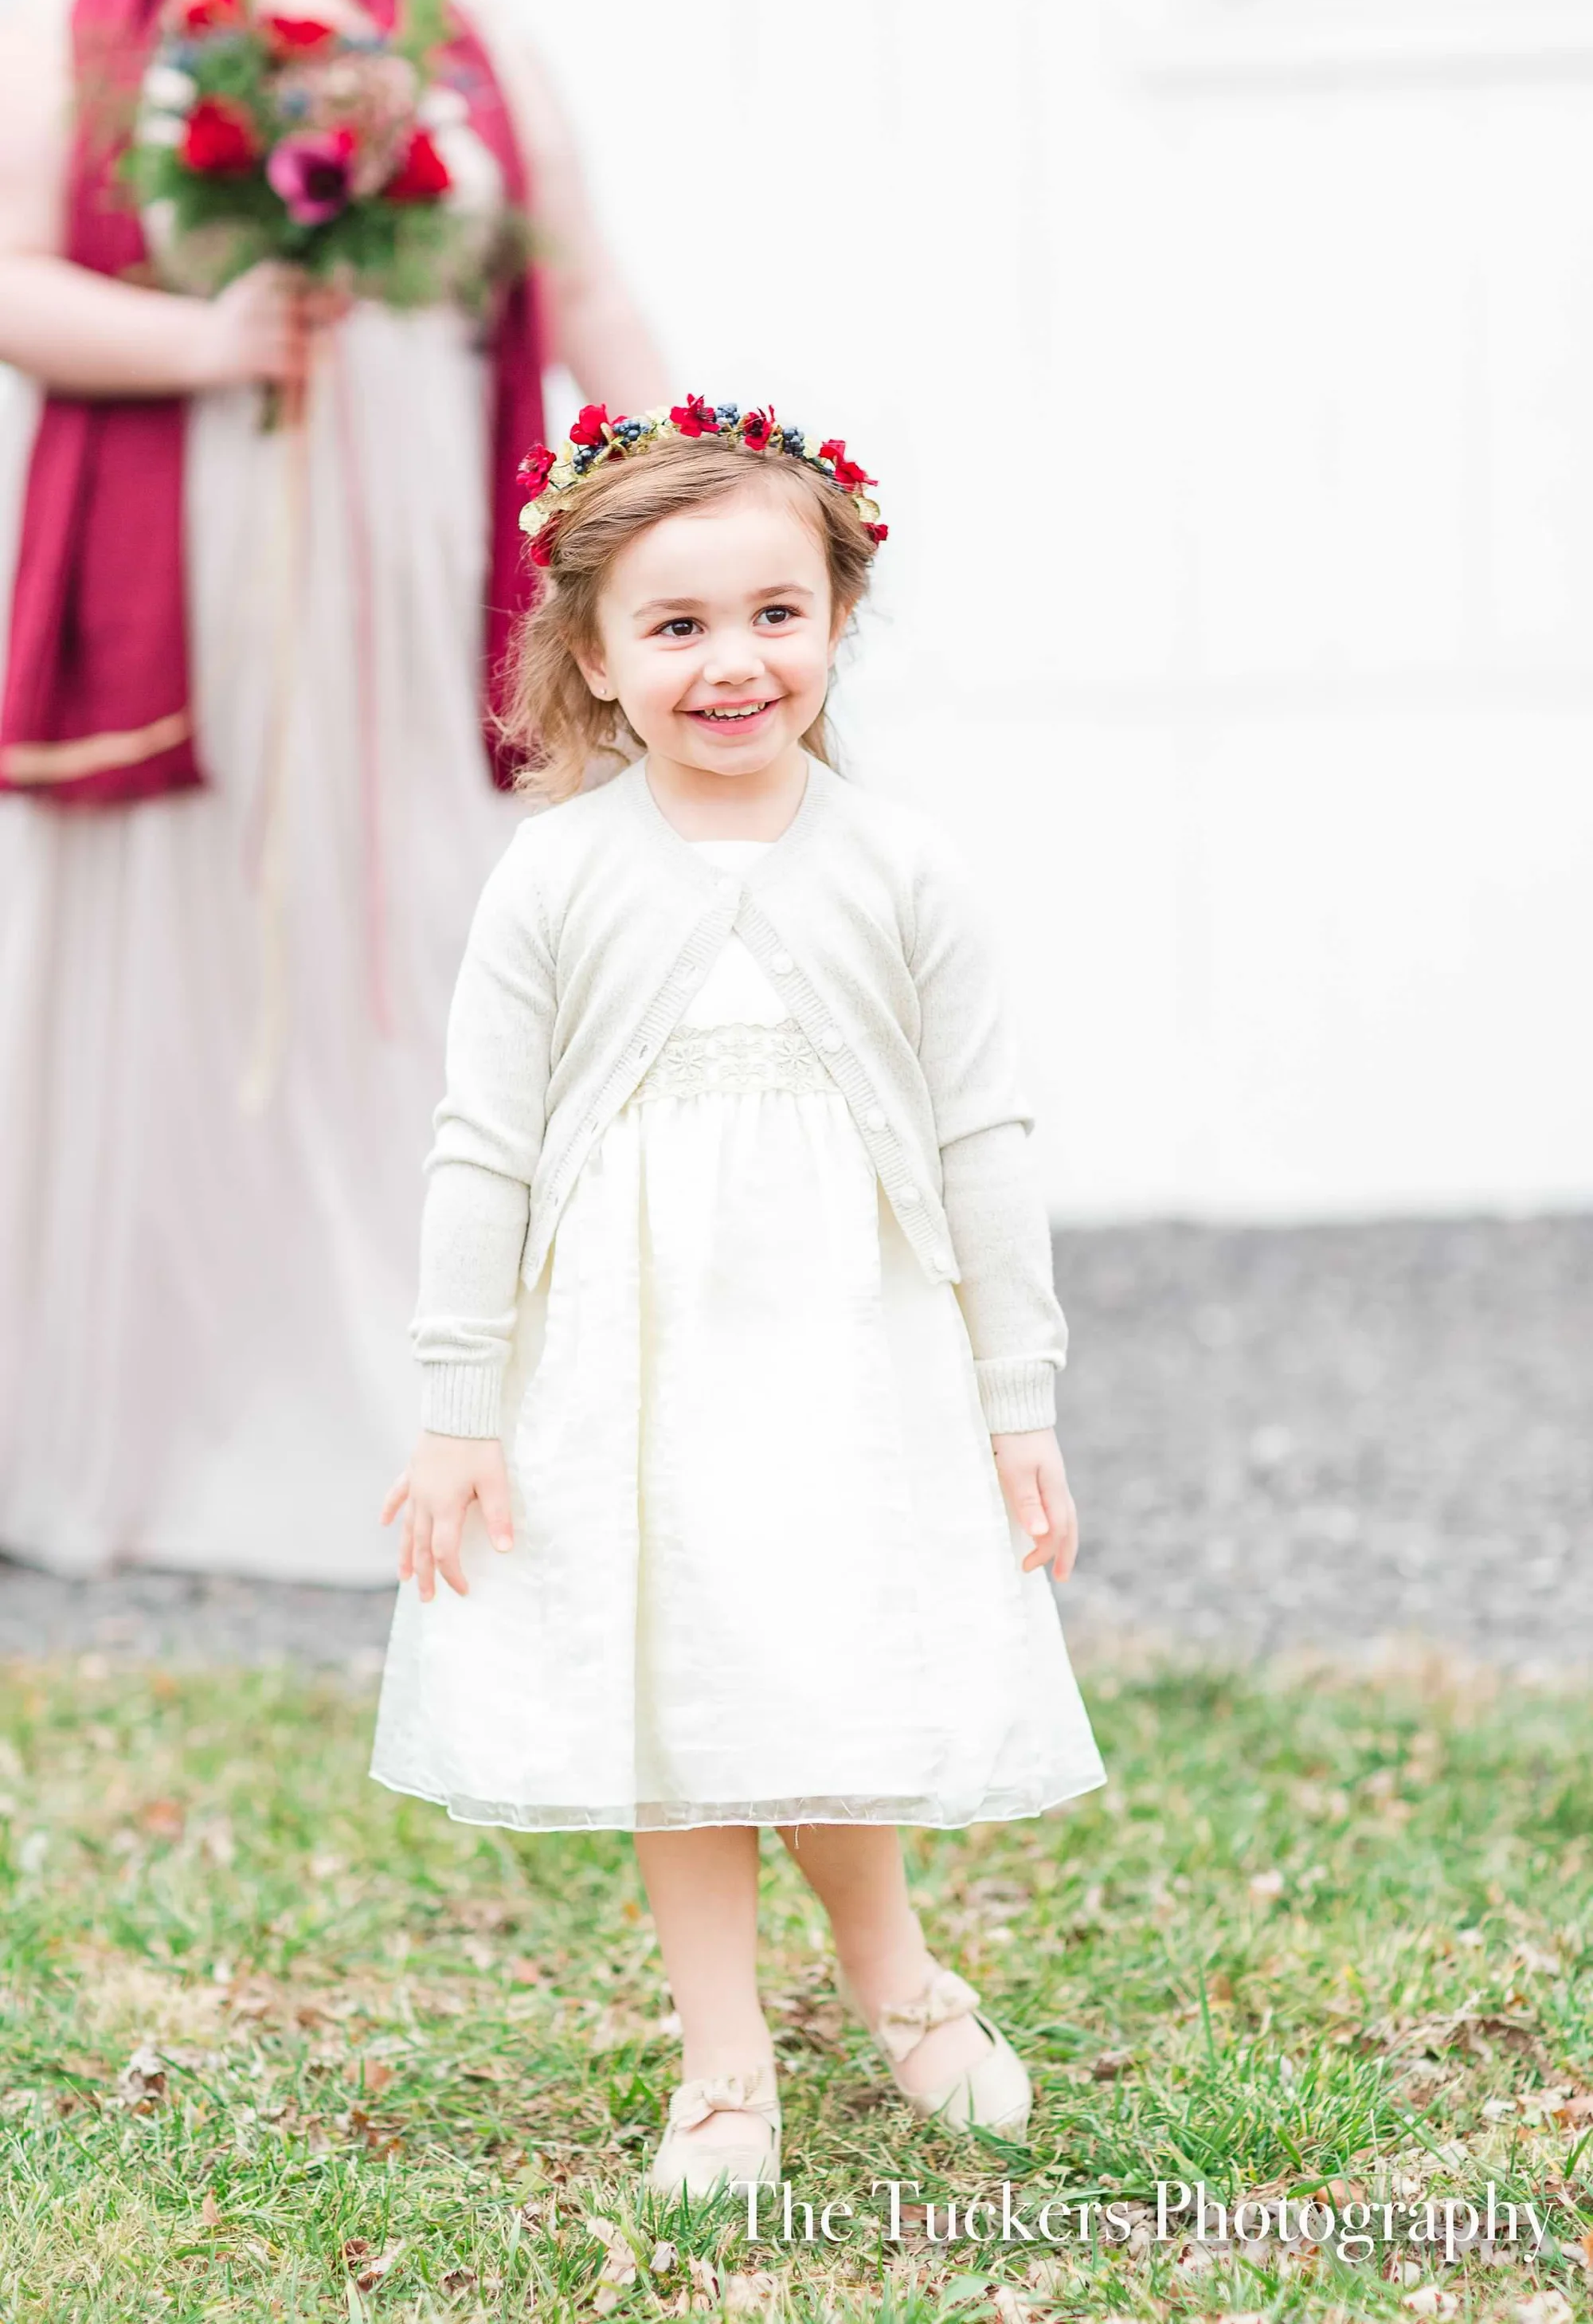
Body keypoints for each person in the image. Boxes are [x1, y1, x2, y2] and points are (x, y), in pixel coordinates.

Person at [370, 399, 1108, 2196]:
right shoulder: (554, 876)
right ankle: (721, 2060)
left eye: (775, 613)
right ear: (596, 659)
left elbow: (980, 1142)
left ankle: (895, 1971)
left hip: (847, 1357)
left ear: (839, 621)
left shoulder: (901, 866)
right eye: (677, 626)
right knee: (675, 1693)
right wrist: (459, 1406)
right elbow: (485, 1149)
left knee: (830, 1663)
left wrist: (1020, 1399)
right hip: (632, 1364)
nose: (732, 662)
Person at [0, 0, 664, 1582]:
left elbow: (574, 280)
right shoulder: (67, 32)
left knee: (440, 917)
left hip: (426, 534)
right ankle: (166, 1421)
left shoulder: (454, 26)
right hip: (208, 541)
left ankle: (438, 1385)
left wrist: (690, 489)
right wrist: (207, 341)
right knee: (214, 931)